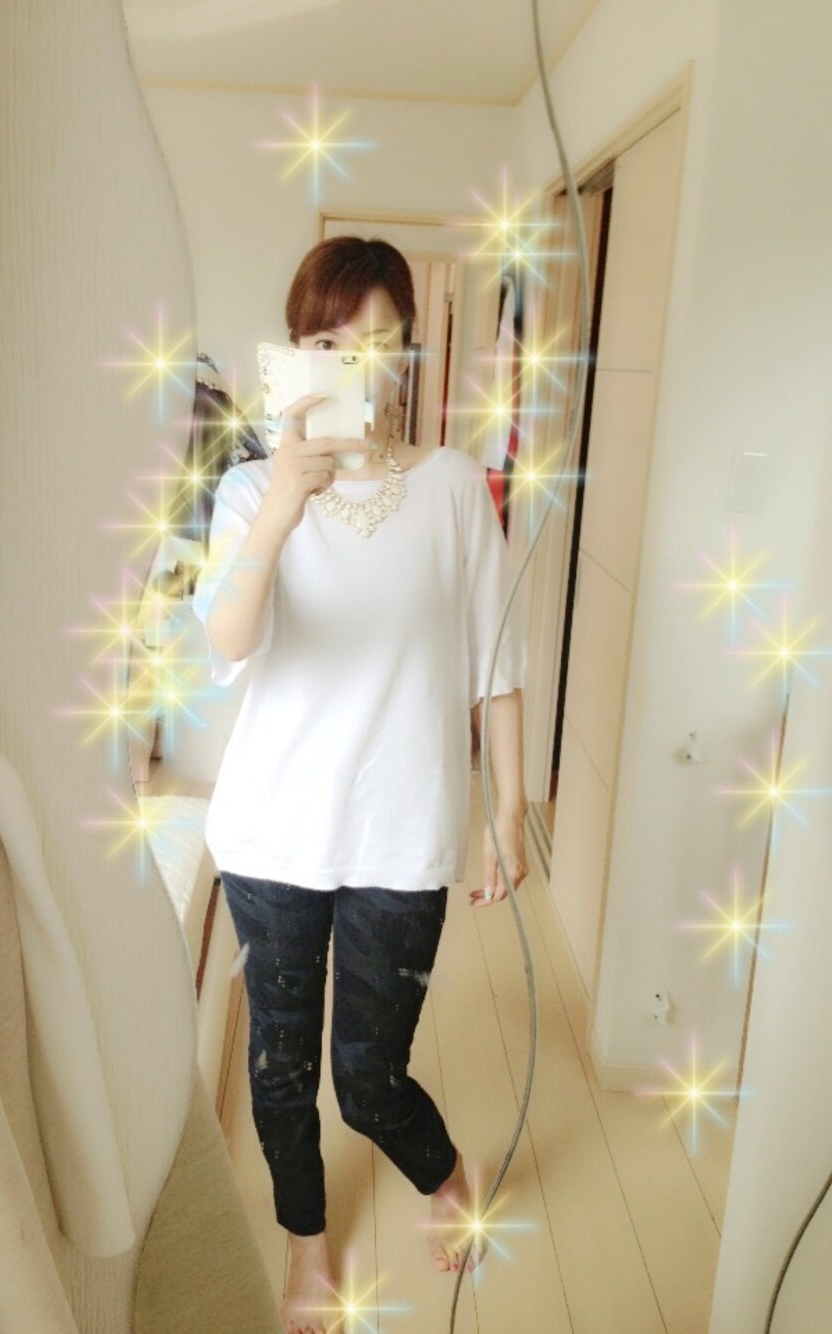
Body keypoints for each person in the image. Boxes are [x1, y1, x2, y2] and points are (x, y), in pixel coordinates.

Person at [195, 237, 528, 1334]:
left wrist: (509, 807)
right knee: (278, 1071)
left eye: (375, 339)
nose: (351, 360)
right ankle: (306, 1241)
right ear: (294, 352)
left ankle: (445, 1170)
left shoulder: (454, 487)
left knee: (368, 1077)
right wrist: (282, 506)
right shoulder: (250, 488)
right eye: (326, 339)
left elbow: (496, 662)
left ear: (405, 351)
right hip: (272, 835)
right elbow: (226, 642)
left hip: (404, 832)